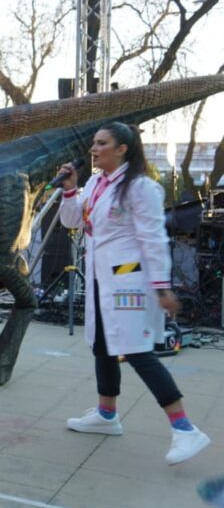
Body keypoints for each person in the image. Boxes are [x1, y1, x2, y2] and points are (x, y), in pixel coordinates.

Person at [58, 121, 211, 465]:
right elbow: (73, 222)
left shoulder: (141, 188)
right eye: (93, 143)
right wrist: (69, 190)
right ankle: (106, 414)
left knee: (136, 351)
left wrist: (161, 286)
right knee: (102, 347)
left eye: (101, 143)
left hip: (131, 282)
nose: (93, 149)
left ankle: (185, 428)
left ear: (122, 148)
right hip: (100, 280)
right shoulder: (96, 183)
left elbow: (154, 240)